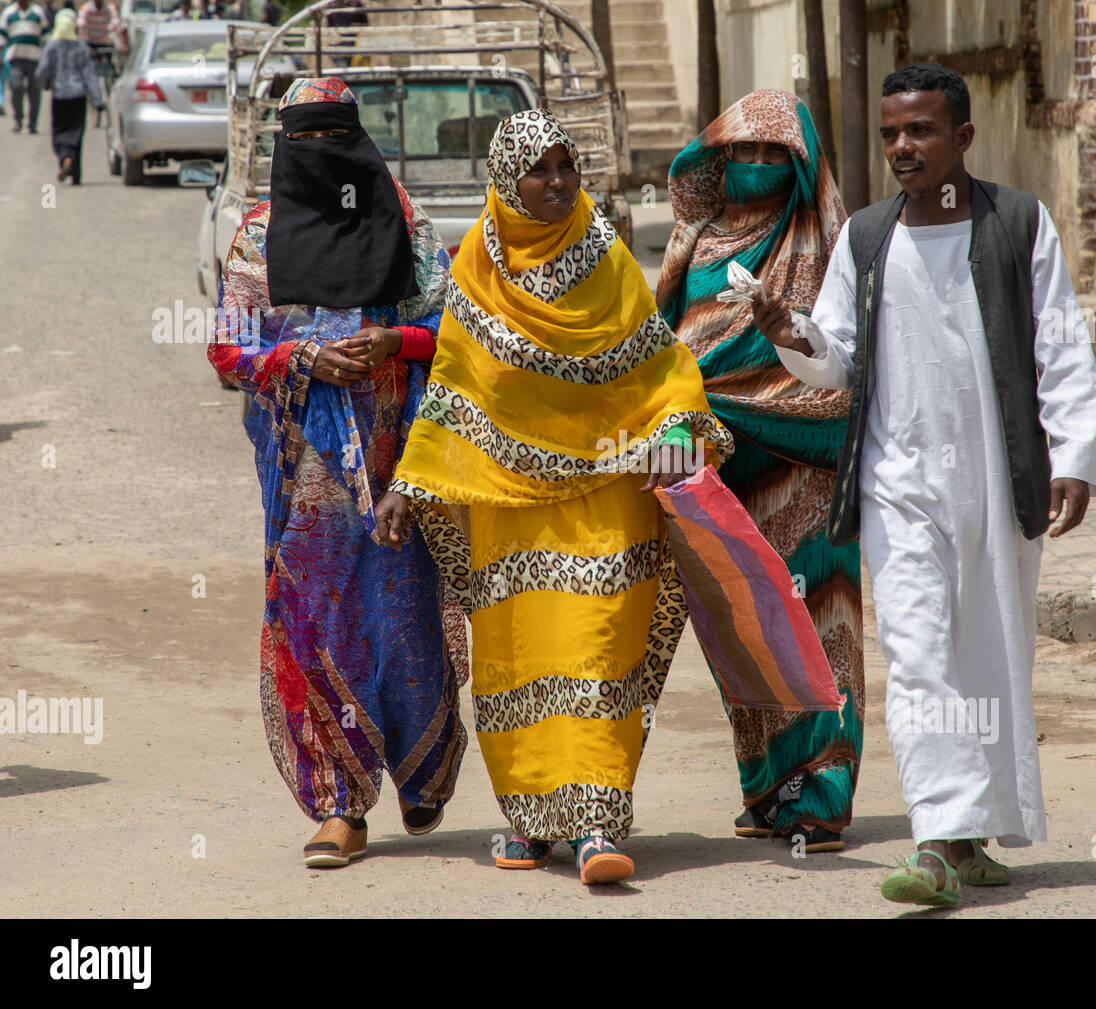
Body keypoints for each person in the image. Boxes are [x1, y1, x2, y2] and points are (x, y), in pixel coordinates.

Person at [754, 63, 1096, 907]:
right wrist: (788, 333)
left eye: (918, 131)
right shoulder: (868, 236)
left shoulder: (1017, 222)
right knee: (916, 653)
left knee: (990, 650)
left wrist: (1074, 456)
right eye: (888, 134)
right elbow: (833, 356)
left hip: (997, 473)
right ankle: (935, 842)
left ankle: (971, 833)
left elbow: (1059, 344)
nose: (901, 148)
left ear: (962, 137)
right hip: (896, 478)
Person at [373, 108, 733, 886]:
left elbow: (661, 362)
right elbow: (454, 388)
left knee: (598, 649)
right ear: (507, 177)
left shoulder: (606, 259)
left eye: (567, 166)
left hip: (608, 491)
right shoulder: (477, 266)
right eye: (540, 169)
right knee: (519, 660)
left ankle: (599, 820)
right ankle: (531, 819)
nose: (558, 182)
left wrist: (678, 425)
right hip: (507, 506)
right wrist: (408, 481)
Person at [207, 77, 466, 869]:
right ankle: (339, 803)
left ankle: (424, 770)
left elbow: (454, 330)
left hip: (402, 459)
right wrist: (300, 355)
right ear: (285, 145)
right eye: (305, 138)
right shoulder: (258, 233)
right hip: (304, 468)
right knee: (313, 620)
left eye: (335, 135)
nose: (321, 153)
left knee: (405, 612)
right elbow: (227, 346)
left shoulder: (407, 222)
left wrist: (397, 347)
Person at [656, 89, 866, 853]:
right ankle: (766, 786)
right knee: (743, 627)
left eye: (774, 154)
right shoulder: (695, 239)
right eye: (741, 153)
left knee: (820, 626)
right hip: (723, 468)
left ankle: (823, 791)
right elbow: (664, 341)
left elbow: (843, 361)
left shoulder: (832, 243)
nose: (755, 166)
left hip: (807, 469)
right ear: (718, 158)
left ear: (801, 164)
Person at [36, 9, 100, 183]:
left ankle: (65, 158)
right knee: (76, 133)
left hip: (60, 96)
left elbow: (42, 71)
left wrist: (45, 84)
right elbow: (89, 74)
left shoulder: (52, 45)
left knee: (60, 131)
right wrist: (97, 99)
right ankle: (75, 172)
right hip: (78, 96)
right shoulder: (80, 46)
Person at [1, 0, 49, 133]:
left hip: (35, 57)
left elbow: (45, 35)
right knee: (16, 86)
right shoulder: (9, 13)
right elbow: (2, 36)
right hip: (15, 57)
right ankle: (18, 119)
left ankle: (33, 123)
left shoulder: (38, 12)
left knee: (34, 91)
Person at [74, 0, 117, 124]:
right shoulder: (86, 9)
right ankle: (93, 103)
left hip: (106, 44)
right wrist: (84, 44)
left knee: (110, 74)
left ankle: (110, 100)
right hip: (91, 44)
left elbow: (116, 24)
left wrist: (118, 40)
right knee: (89, 75)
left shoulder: (110, 8)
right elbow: (81, 26)